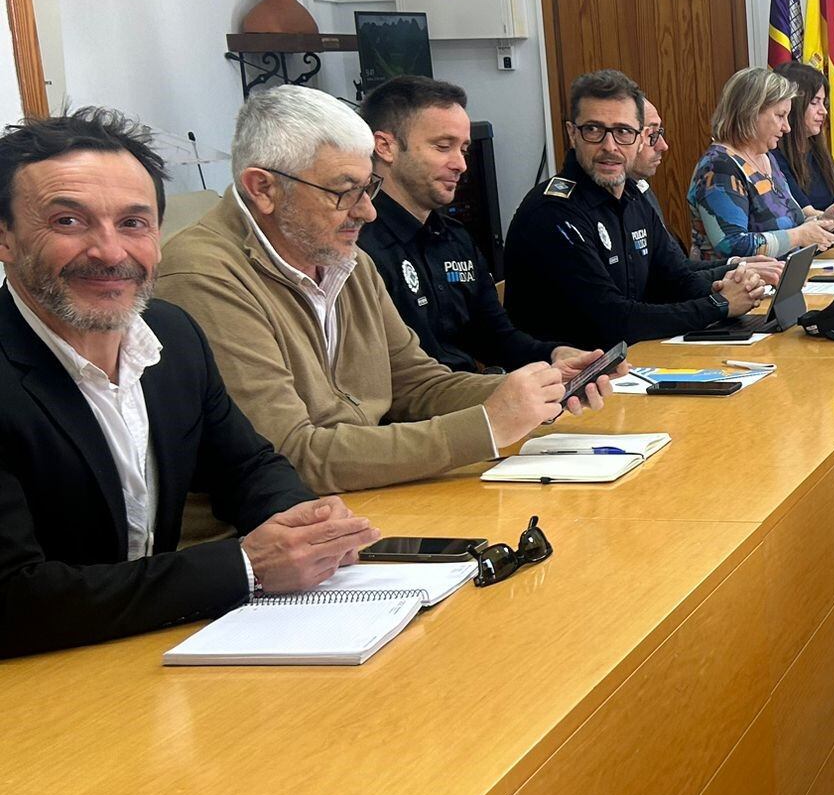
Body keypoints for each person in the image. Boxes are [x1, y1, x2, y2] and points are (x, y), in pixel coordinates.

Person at [0, 109, 379, 656]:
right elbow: (15, 599)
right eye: (69, 222)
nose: (110, 252)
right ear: (5, 237)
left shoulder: (170, 336)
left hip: (146, 646)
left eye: (133, 223)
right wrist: (248, 566)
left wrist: (306, 523)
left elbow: (246, 466)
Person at [157, 86, 606, 497]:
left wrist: (535, 390)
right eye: (344, 192)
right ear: (264, 189)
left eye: (368, 187)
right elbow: (290, 455)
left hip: (360, 500)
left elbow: (416, 385)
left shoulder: (345, 260)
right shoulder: (204, 276)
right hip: (273, 534)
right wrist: (487, 425)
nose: (368, 212)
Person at [503, 69, 777, 345]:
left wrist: (737, 286)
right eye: (594, 130)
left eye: (623, 132)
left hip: (631, 361)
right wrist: (719, 304)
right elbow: (614, 319)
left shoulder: (632, 197)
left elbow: (676, 280)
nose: (609, 146)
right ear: (572, 134)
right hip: (568, 377)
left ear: (639, 138)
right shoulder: (553, 213)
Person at [359, 75, 584, 375]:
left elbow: (496, 338)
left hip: (474, 400)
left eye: (463, 149)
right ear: (385, 147)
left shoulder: (455, 238)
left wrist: (555, 354)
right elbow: (391, 381)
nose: (461, 164)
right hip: (420, 412)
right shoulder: (357, 244)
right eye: (443, 146)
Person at [690, 66, 834, 257]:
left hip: (785, 278)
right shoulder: (720, 167)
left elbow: (791, 220)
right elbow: (732, 245)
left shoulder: (765, 158)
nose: (787, 127)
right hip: (738, 291)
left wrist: (822, 223)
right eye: (780, 116)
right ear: (751, 113)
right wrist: (800, 235)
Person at [772, 62, 834, 211]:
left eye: (823, 103)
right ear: (791, 106)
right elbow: (808, 214)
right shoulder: (773, 155)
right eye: (814, 102)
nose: (824, 111)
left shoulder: (819, 152)